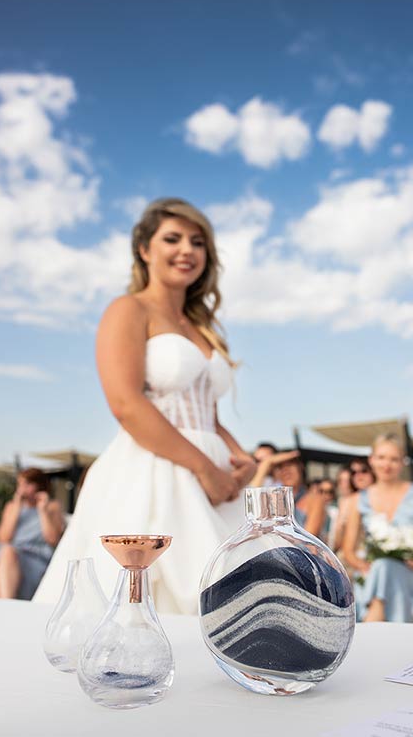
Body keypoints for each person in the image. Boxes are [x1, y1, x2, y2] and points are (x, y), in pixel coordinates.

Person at [34, 197, 256, 613]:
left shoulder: (203, 329)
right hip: (155, 468)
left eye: (197, 242)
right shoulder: (128, 309)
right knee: (150, 598)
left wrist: (239, 458)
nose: (187, 250)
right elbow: (126, 403)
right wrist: (204, 468)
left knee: (237, 596)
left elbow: (209, 414)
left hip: (218, 479)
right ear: (144, 250)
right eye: (172, 239)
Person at [342, 434, 413, 622]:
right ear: (372, 460)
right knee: (382, 567)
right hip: (372, 574)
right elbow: (348, 551)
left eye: (394, 459)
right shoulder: (357, 500)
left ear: (402, 462)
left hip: (411, 574)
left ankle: (371, 629)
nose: (387, 464)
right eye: (381, 457)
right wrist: (364, 566)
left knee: (384, 568)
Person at [0, 468, 64, 599]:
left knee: (8, 554)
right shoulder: (12, 506)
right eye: (20, 484)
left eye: (27, 484)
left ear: (39, 485)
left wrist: (42, 511)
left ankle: (6, 606)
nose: (21, 489)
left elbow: (53, 539)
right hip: (7, 555)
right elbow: (4, 538)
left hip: (35, 557)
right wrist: (16, 508)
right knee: (8, 553)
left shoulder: (52, 507)